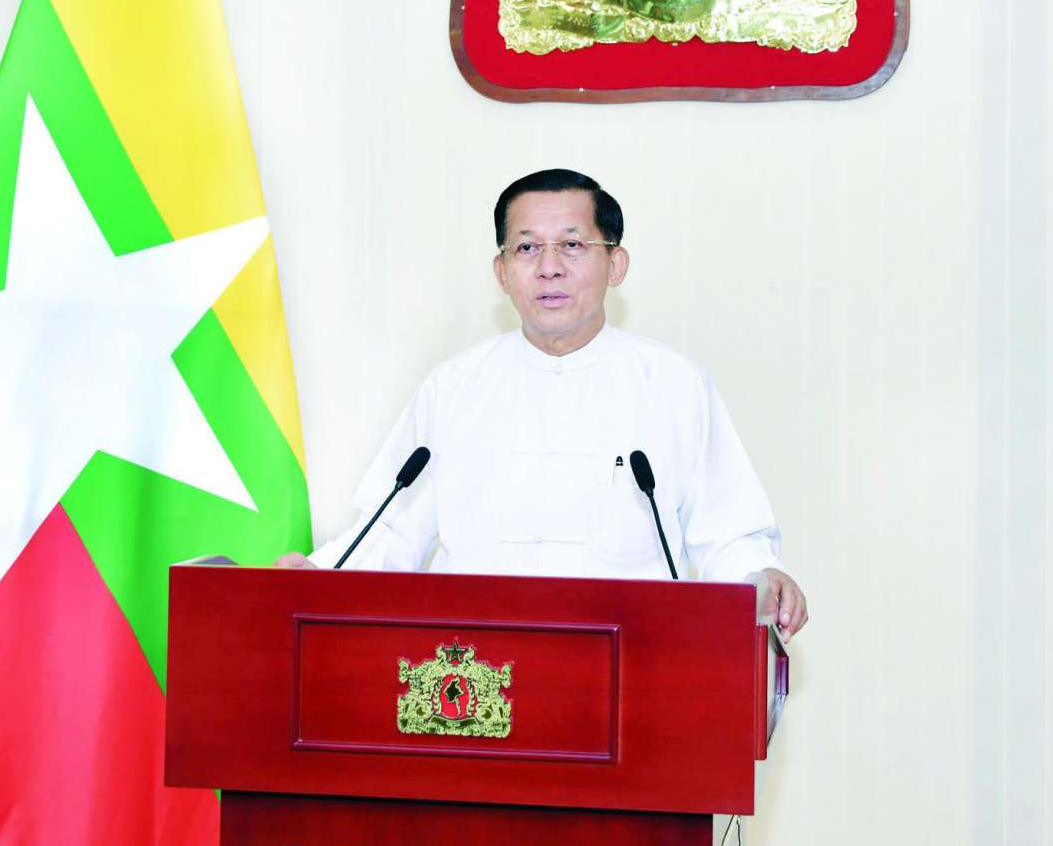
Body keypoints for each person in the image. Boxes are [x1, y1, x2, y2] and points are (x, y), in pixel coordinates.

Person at [278, 169, 808, 640]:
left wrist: (763, 578)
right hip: (473, 669)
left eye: (573, 245)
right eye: (527, 249)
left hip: (633, 661)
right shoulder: (453, 387)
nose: (549, 268)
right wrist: (317, 576)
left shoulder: (673, 385)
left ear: (616, 264)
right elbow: (391, 531)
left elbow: (727, 534)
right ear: (501, 271)